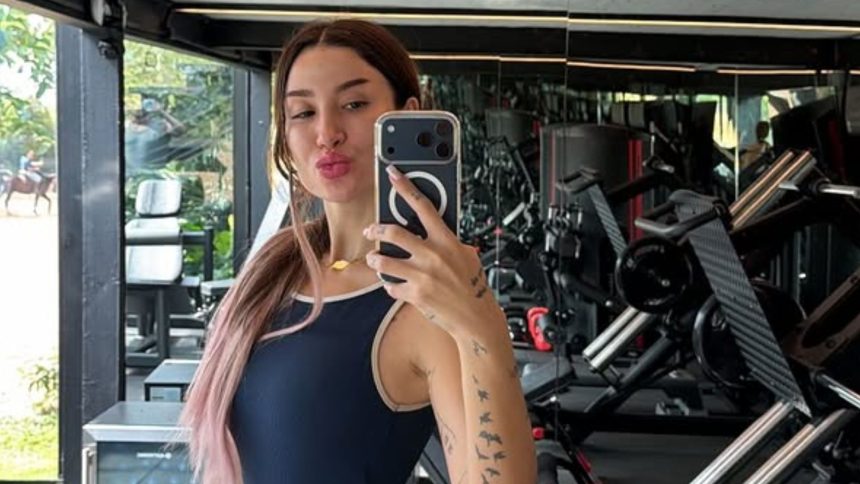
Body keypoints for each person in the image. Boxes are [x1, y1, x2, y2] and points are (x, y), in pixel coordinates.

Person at [179, 19, 536, 484]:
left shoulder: (423, 302)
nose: (327, 133)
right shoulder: (275, 267)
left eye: (354, 104)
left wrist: (482, 326)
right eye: (303, 113)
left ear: (406, 115)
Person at [125, 99, 186, 174]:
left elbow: (180, 130)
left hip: (154, 175)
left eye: (142, 112)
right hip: (129, 176)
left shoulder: (160, 125)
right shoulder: (126, 126)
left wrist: (162, 112)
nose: (139, 112)